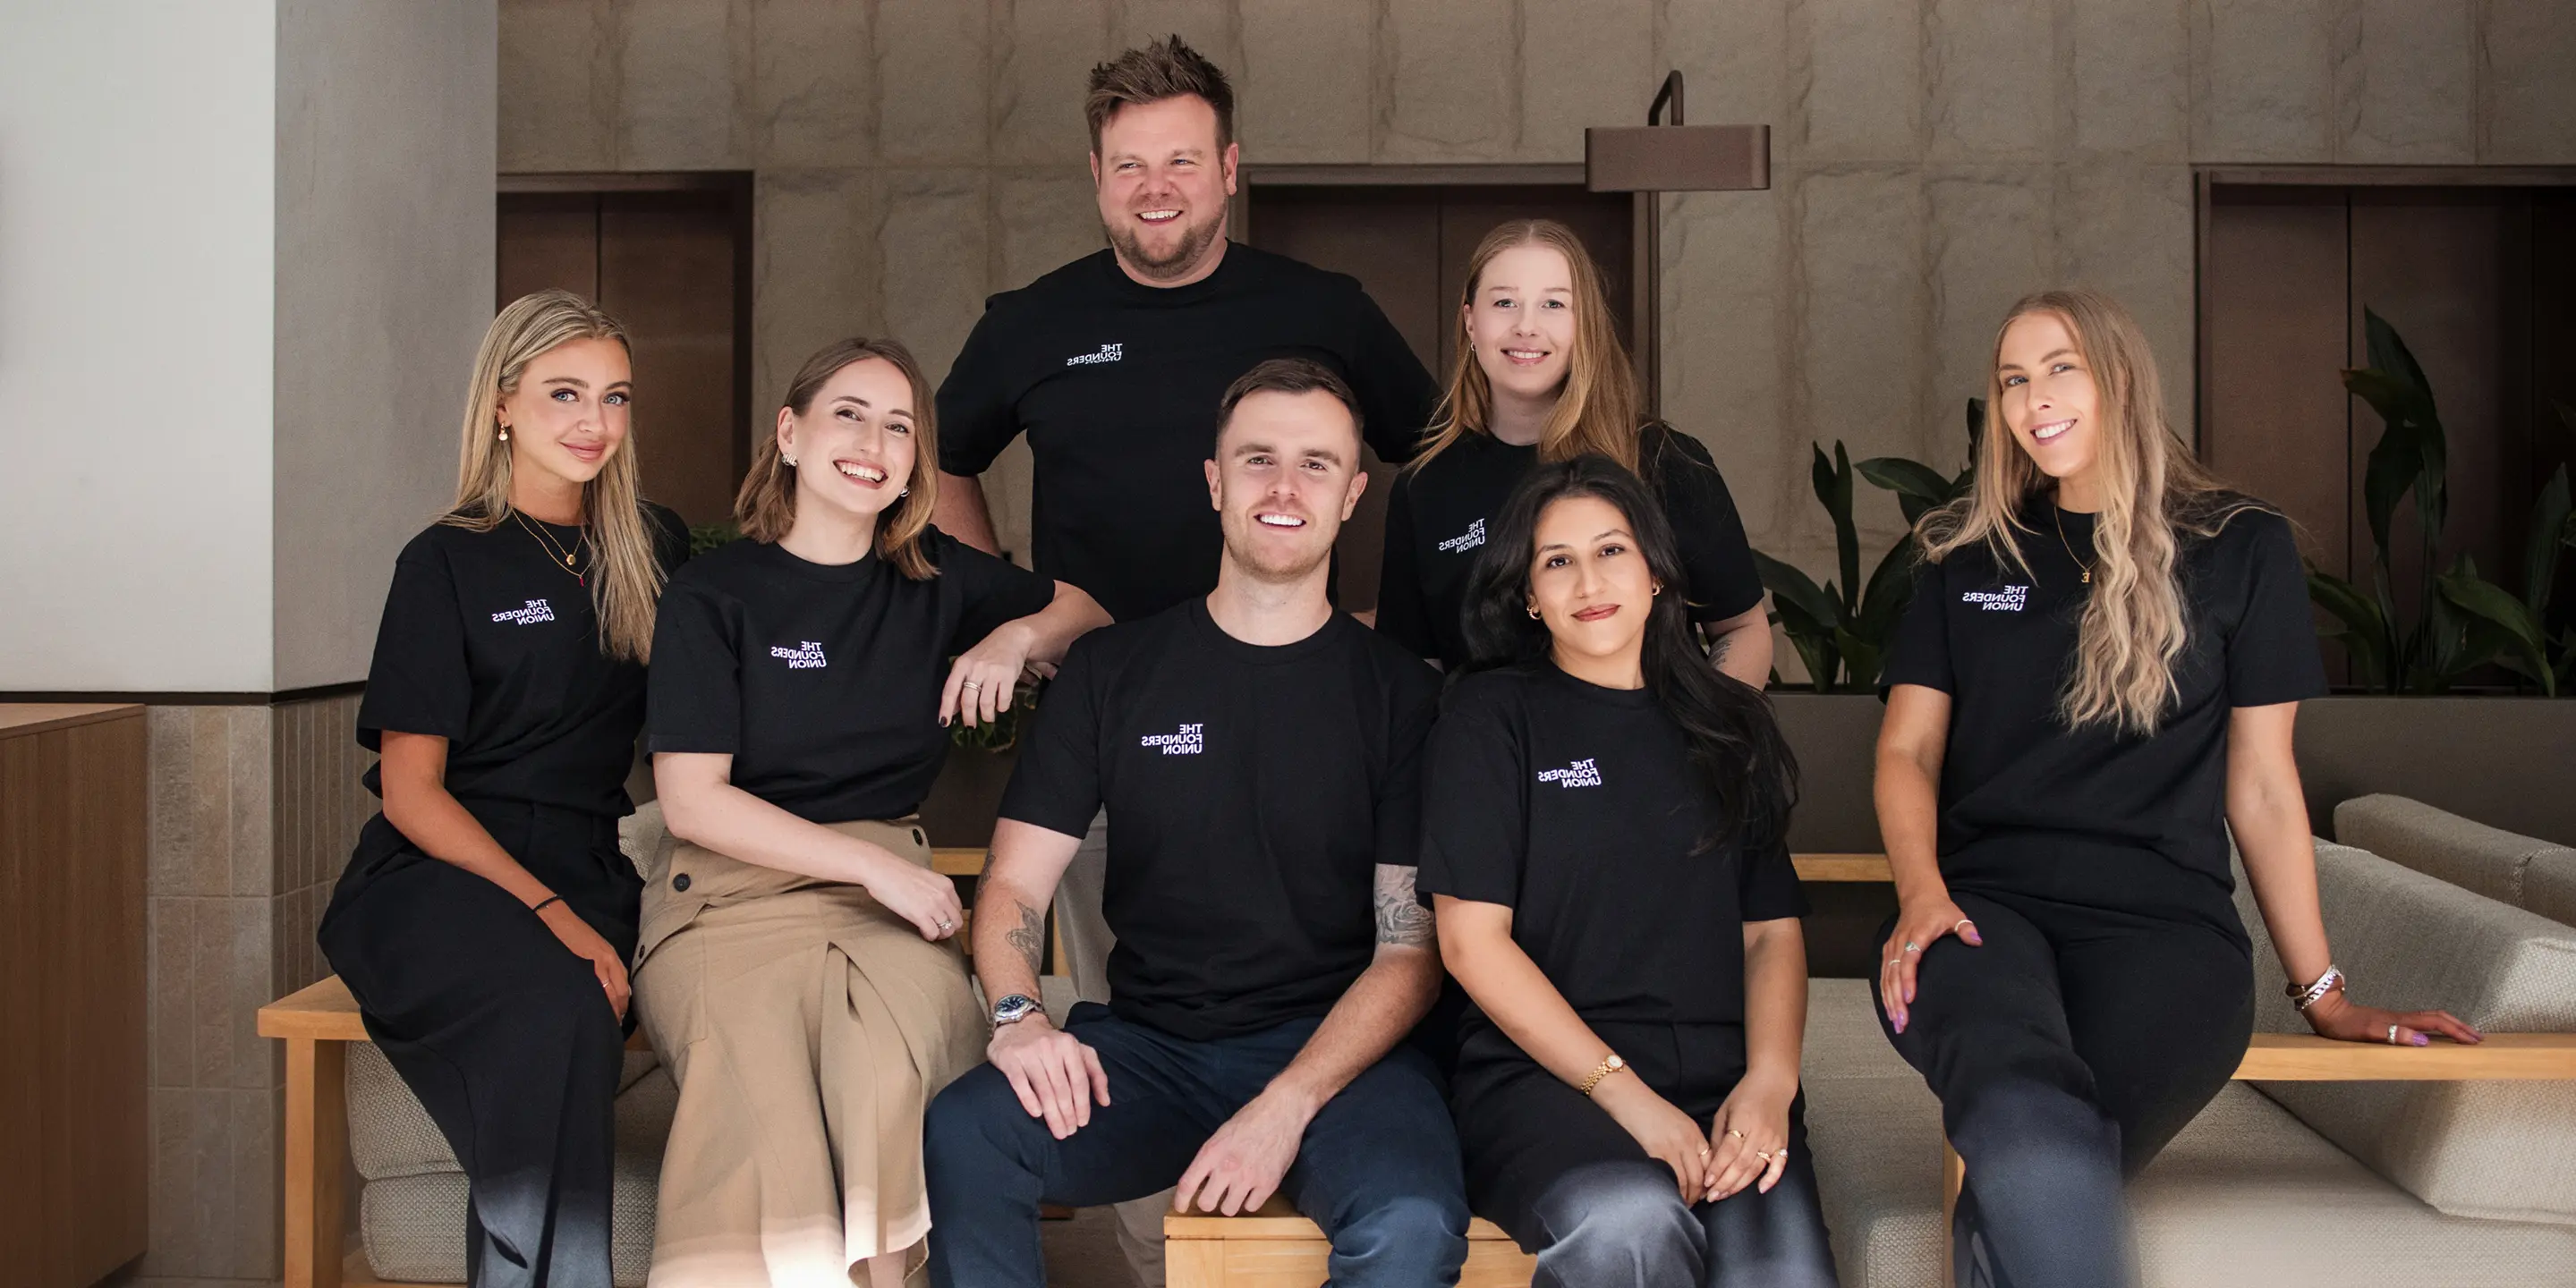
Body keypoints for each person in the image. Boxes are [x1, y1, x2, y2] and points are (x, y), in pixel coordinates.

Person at [1872, 288, 2482, 1288]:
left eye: (2058, 367)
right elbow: (1906, 753)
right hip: (1977, 920)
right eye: (2011, 380)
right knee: (2024, 1124)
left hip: (2165, 934)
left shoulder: (2240, 547)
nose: (2034, 400)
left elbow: (2263, 792)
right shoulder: (1966, 558)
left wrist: (2324, 996)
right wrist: (1920, 894)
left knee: (2027, 1164)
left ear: (2117, 376)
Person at [931, 38, 1441, 1070]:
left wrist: (1399, 625)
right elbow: (937, 461)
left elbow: (1436, 454)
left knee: (1328, 991)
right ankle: (1158, 1228)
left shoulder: (1320, 309)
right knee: (1139, 1014)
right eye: (1129, 166)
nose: (1154, 189)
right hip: (1106, 721)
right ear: (1096, 177)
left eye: (1180, 163)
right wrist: (1010, 605)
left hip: (1308, 719)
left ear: (1228, 169)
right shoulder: (1034, 322)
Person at [922, 359, 1468, 1288]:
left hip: (1340, 1061)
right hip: (1152, 1053)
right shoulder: (1110, 673)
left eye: (1315, 465)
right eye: (1256, 460)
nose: (1283, 488)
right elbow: (1014, 884)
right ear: (1214, 481)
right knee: (969, 1131)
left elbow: (1407, 950)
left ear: (1351, 496)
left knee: (1410, 1226)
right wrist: (1017, 1017)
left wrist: (1284, 1104)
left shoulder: (1399, 696)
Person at [634, 338, 1107, 1288]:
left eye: (900, 426)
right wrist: (871, 867)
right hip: (728, 898)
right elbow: (691, 799)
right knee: (754, 1078)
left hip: (887, 910)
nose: (874, 441)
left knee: (886, 1066)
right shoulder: (712, 594)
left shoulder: (939, 579)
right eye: (848, 413)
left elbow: (1086, 614)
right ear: (791, 433)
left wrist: (1013, 637)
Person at [318, 289, 689, 1288]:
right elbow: (410, 791)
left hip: (582, 854)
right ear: (502, 405)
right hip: (433, 871)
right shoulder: (444, 560)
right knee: (561, 1002)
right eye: (564, 394)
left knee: (567, 1008)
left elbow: (688, 742)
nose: (593, 423)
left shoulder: (652, 548)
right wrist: (553, 916)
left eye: (614, 398)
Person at [1423, 455, 1838, 1288]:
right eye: (1556, 560)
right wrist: (1625, 1096)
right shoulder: (1489, 718)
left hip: (1723, 1078)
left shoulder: (1730, 729)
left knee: (1781, 1279)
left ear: (1654, 572)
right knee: (1628, 1224)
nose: (1588, 580)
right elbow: (1472, 945)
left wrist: (1769, 1081)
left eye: (1611, 550)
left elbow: (1770, 935)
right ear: (1529, 596)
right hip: (1546, 1084)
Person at [1377, 219, 1770, 687]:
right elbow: (1413, 668)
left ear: (1584, 323)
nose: (1526, 326)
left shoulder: (1663, 460)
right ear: (1470, 321)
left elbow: (1743, 628)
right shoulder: (1425, 487)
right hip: (1489, 754)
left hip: (1648, 754)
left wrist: (1702, 748)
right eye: (1504, 303)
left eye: (1553, 304)